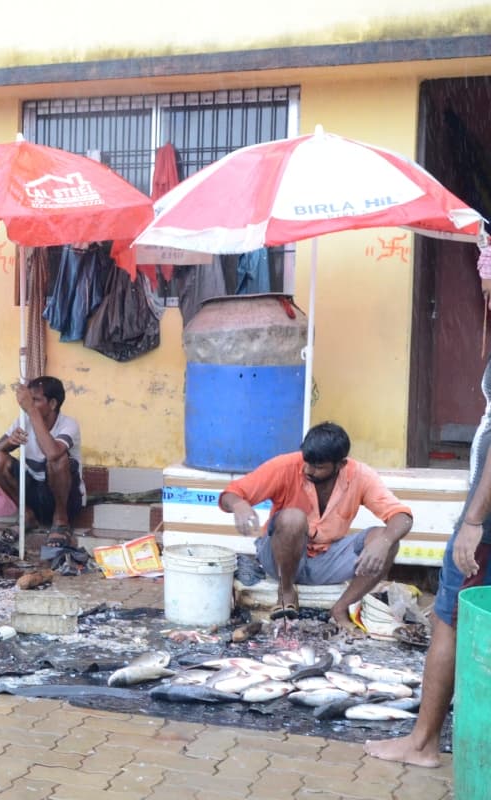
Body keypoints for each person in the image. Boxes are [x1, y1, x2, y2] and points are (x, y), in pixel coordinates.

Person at [365, 262, 491, 767]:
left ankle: (422, 745)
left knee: (449, 619)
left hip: (487, 519)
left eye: (487, 277)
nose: (483, 288)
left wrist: (475, 519)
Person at [219, 421, 413, 629]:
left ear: (340, 465)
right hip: (278, 559)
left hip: (327, 559)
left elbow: (402, 516)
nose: (308, 470)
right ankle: (286, 592)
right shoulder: (286, 466)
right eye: (307, 462)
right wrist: (239, 505)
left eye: (318, 467)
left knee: (389, 540)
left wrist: (384, 541)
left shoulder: (360, 475)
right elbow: (230, 494)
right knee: (293, 518)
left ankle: (340, 608)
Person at [0, 376, 85, 547]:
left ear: (53, 404)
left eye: (35, 400)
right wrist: (9, 442)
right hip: (35, 495)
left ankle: (61, 521)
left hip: (66, 499)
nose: (27, 405)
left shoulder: (69, 424)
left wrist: (31, 411)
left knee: (58, 460)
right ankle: (27, 515)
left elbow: (53, 453)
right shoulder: (23, 420)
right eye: (29, 400)